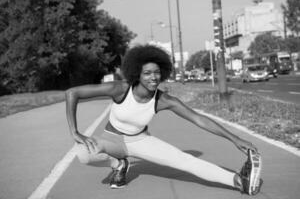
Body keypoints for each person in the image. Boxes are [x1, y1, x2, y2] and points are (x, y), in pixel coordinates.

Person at [65, 44, 262, 195]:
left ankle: (238, 181)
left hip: (140, 141)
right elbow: (72, 93)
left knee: (185, 161)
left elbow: (199, 119)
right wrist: (74, 131)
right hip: (111, 139)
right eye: (147, 73)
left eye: (157, 73)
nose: (153, 77)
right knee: (83, 152)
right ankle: (119, 165)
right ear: (137, 74)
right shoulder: (120, 89)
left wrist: (235, 139)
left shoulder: (163, 100)